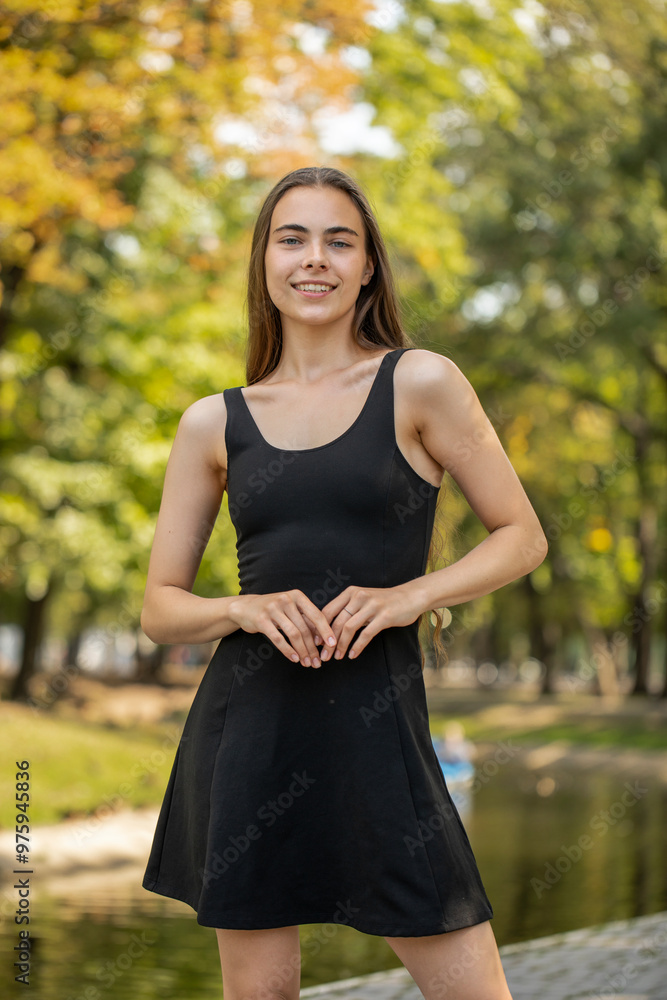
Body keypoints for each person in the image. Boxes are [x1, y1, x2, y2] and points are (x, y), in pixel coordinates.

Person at [140, 165, 548, 1000]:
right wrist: (241, 609)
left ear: (367, 266)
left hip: (380, 734)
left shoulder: (421, 382)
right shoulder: (213, 422)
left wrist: (413, 595)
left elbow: (522, 538)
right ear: (264, 261)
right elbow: (161, 610)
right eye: (291, 239)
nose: (313, 259)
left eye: (339, 240)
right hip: (248, 736)